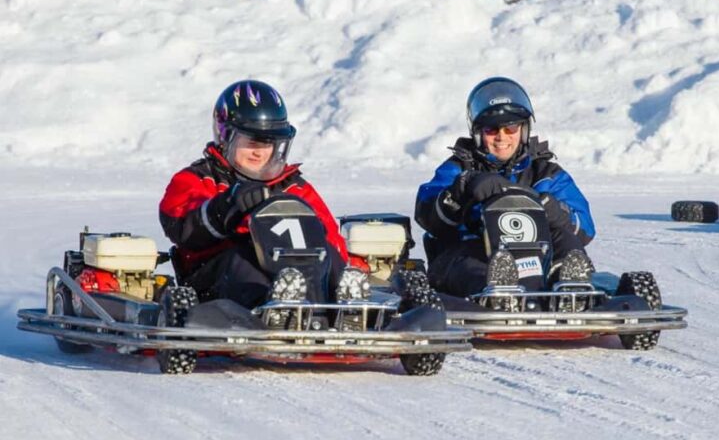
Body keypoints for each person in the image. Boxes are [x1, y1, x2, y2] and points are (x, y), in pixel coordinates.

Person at [159, 80, 365, 309]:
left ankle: (347, 304)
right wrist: (227, 208)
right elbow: (181, 226)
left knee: (325, 252)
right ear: (225, 136)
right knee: (244, 255)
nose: (259, 152)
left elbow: (332, 239)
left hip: (299, 279)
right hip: (217, 281)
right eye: (251, 142)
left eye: (267, 143)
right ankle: (275, 307)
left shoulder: (295, 188)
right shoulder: (197, 179)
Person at [415, 77, 596, 298]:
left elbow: (585, 228)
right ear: (479, 132)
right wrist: (462, 189)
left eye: (510, 128)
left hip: (536, 257)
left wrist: (555, 211)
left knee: (564, 238)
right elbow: (426, 213)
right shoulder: (458, 168)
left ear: (523, 130)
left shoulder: (545, 174)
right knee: (469, 257)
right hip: (470, 256)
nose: (502, 137)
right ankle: (496, 290)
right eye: (492, 129)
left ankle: (570, 287)